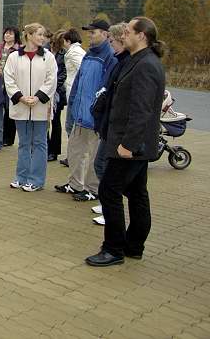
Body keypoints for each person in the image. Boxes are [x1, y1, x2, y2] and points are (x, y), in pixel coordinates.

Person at [86, 17, 165, 267]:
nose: (124, 35)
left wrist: (128, 145)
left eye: (129, 31)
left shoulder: (146, 65)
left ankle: (114, 249)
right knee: (137, 193)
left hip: (130, 146)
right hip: (131, 144)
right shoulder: (136, 60)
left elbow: (141, 110)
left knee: (109, 191)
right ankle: (133, 245)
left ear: (142, 35)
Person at [55, 19, 118, 202]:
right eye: (89, 32)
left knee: (94, 156)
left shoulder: (110, 56)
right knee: (75, 151)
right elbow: (79, 81)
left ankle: (92, 189)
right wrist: (73, 102)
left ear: (106, 34)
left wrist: (98, 112)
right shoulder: (89, 53)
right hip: (80, 114)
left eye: (94, 32)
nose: (89, 35)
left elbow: (107, 88)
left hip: (95, 117)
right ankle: (74, 184)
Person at [5, 23, 58, 192]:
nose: (42, 38)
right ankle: (21, 177)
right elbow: (9, 79)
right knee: (24, 143)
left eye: (43, 35)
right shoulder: (14, 57)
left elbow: (52, 80)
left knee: (40, 143)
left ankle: (36, 180)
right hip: (21, 107)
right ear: (28, 35)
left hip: (40, 108)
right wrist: (20, 97)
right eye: (38, 34)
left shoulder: (48, 57)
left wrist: (38, 97)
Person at [89, 22, 129, 226]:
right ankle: (106, 204)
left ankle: (110, 210)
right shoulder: (119, 61)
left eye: (112, 41)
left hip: (116, 128)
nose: (111, 44)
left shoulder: (126, 62)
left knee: (105, 167)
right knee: (100, 164)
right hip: (107, 123)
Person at [0, 26, 21, 146]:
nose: (7, 35)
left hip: (11, 83)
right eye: (6, 33)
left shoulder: (19, 49)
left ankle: (8, 138)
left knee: (9, 110)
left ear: (15, 36)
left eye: (11, 34)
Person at [48, 30, 68, 161]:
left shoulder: (64, 54)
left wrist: (53, 85)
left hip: (58, 93)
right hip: (45, 91)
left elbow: (64, 74)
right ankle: (46, 148)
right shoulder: (47, 51)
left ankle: (54, 151)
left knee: (55, 122)